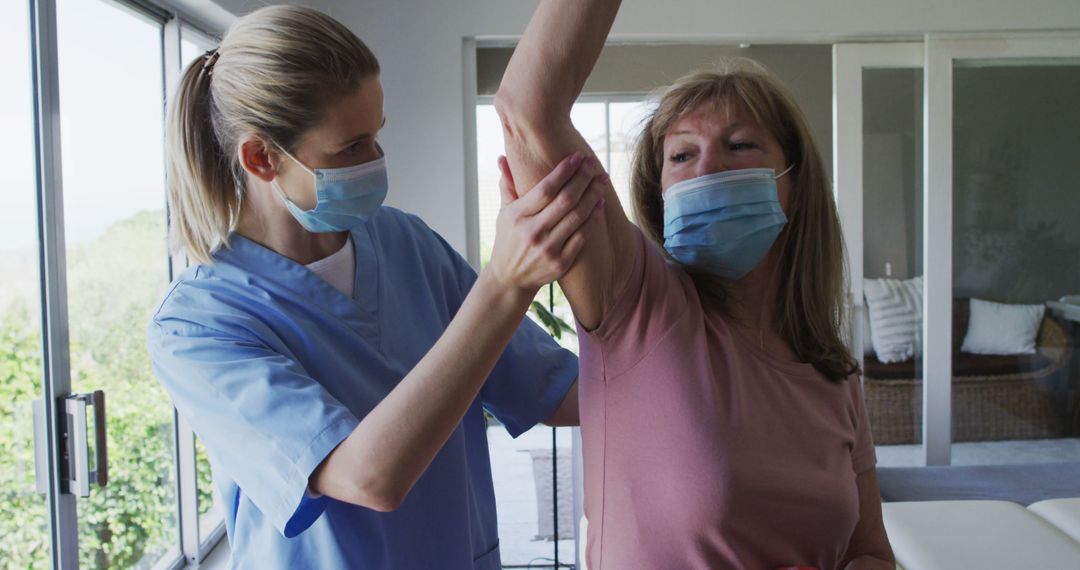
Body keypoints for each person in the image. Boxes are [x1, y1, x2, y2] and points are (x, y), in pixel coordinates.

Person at [146, 5, 606, 568]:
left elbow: (554, 388)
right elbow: (370, 478)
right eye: (351, 147)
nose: (377, 161)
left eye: (376, 136)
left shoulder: (403, 242)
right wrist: (505, 284)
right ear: (262, 157)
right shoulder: (198, 325)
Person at [494, 0, 896, 567]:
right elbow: (527, 108)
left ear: (794, 184)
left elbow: (868, 551)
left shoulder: (834, 374)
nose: (707, 169)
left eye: (740, 145)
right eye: (682, 154)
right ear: (659, 195)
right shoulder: (635, 304)